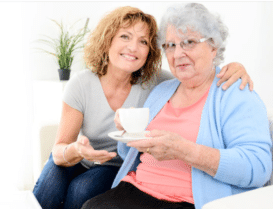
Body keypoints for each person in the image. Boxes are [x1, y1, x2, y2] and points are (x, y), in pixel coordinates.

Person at [33, 5, 253, 209]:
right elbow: (60, 148)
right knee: (50, 182)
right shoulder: (84, 84)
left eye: (143, 42)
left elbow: (193, 72)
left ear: (150, 51)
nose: (133, 47)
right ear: (107, 40)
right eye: (125, 37)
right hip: (80, 157)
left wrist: (235, 66)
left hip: (114, 166)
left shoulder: (157, 83)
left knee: (82, 190)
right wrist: (77, 150)